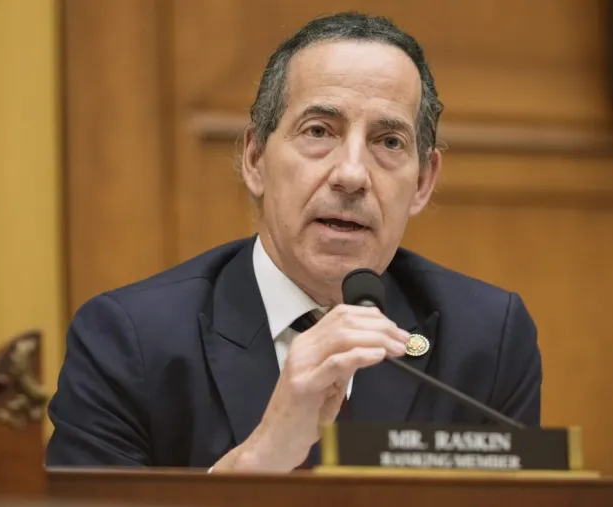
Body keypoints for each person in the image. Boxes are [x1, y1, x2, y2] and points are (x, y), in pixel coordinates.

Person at [45, 11, 542, 472]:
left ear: (424, 182)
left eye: (389, 141)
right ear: (255, 159)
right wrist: (257, 460)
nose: (352, 175)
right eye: (319, 131)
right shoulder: (129, 343)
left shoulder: (486, 340)